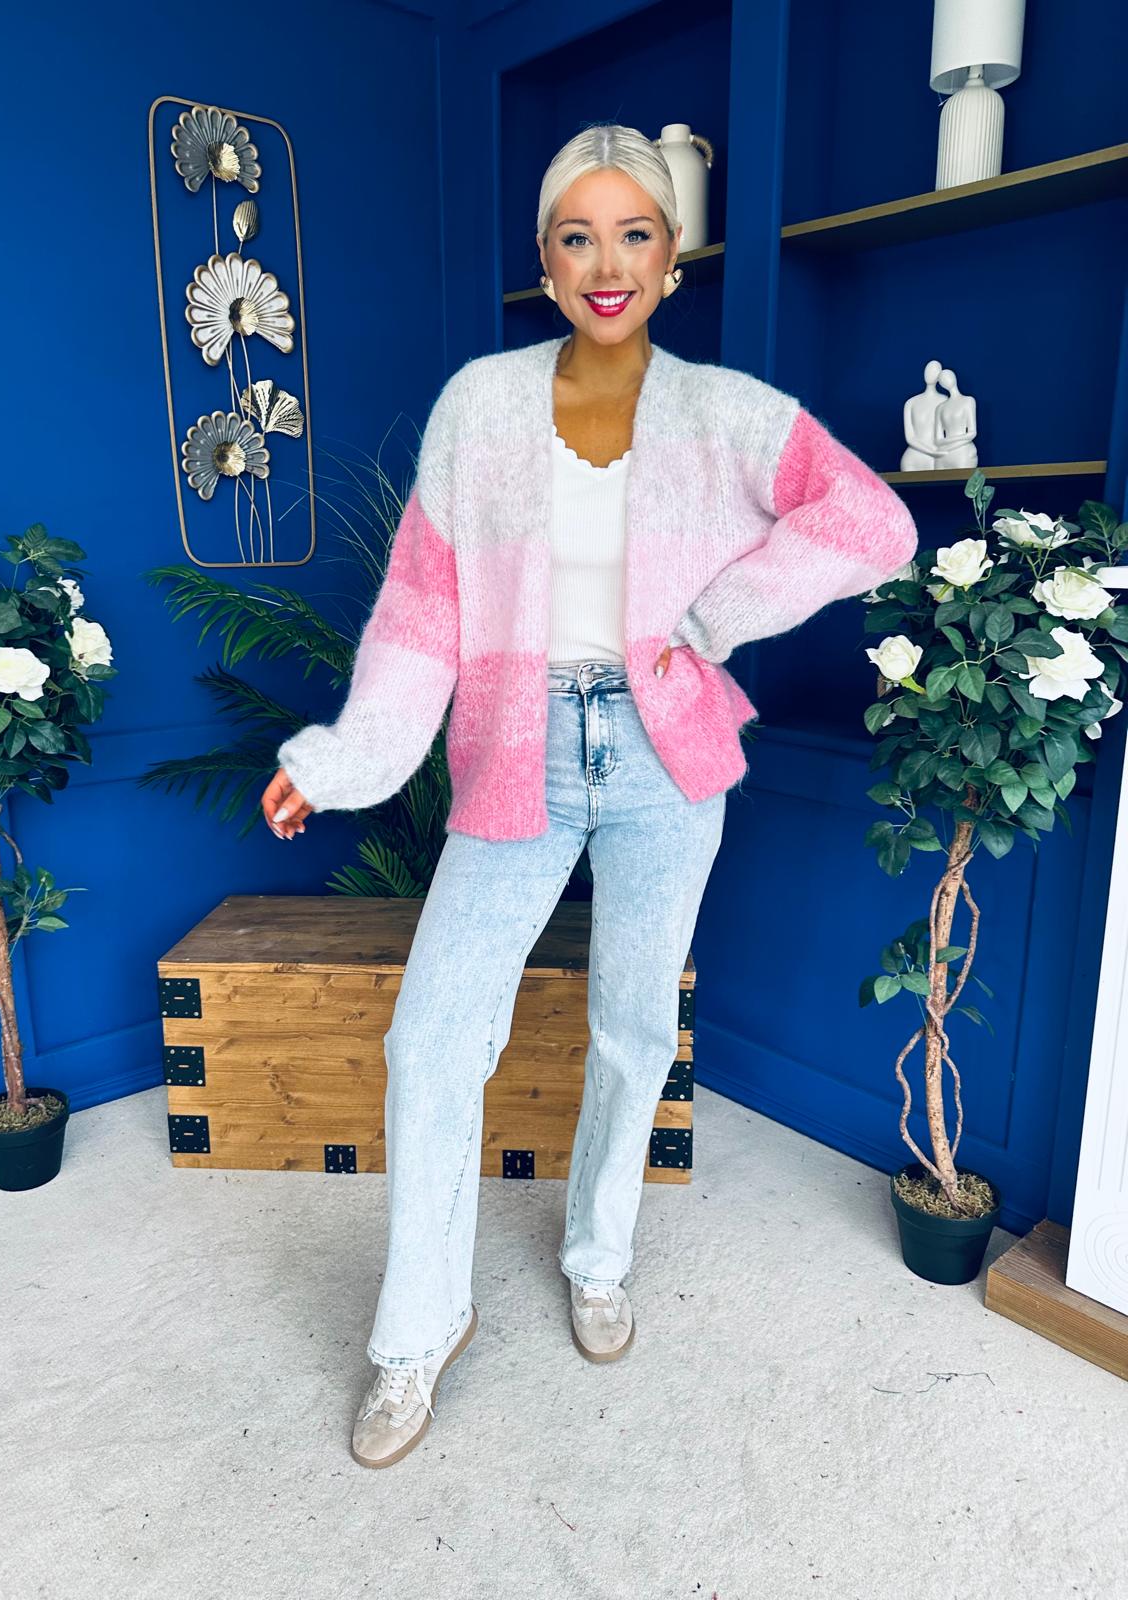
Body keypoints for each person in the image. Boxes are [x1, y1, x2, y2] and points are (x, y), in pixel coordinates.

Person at [260, 124, 919, 1470]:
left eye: (635, 234)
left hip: (669, 758)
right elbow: (419, 616)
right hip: (520, 751)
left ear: (673, 261)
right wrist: (341, 760)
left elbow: (874, 524)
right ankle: (418, 1328)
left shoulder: (727, 412)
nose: (606, 262)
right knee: (431, 1040)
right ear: (547, 262)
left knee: (632, 1025)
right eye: (578, 236)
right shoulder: (479, 407)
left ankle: (599, 1255)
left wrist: (715, 618)